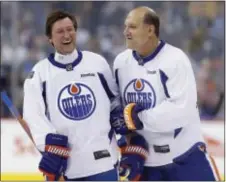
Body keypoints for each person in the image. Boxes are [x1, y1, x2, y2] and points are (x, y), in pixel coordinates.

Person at [113, 6, 221, 181]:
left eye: (132, 27)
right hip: (146, 163)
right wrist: (127, 145)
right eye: (126, 26)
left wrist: (140, 118)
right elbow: (120, 108)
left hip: (184, 158)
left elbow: (180, 110)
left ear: (150, 30)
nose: (126, 32)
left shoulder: (175, 60)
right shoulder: (121, 62)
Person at [23, 10, 120, 181]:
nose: (66, 35)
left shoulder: (97, 63)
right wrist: (51, 149)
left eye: (70, 29)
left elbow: (115, 102)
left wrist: (123, 126)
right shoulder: (39, 73)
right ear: (50, 39)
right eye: (60, 31)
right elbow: (33, 115)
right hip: (65, 170)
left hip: (103, 163)